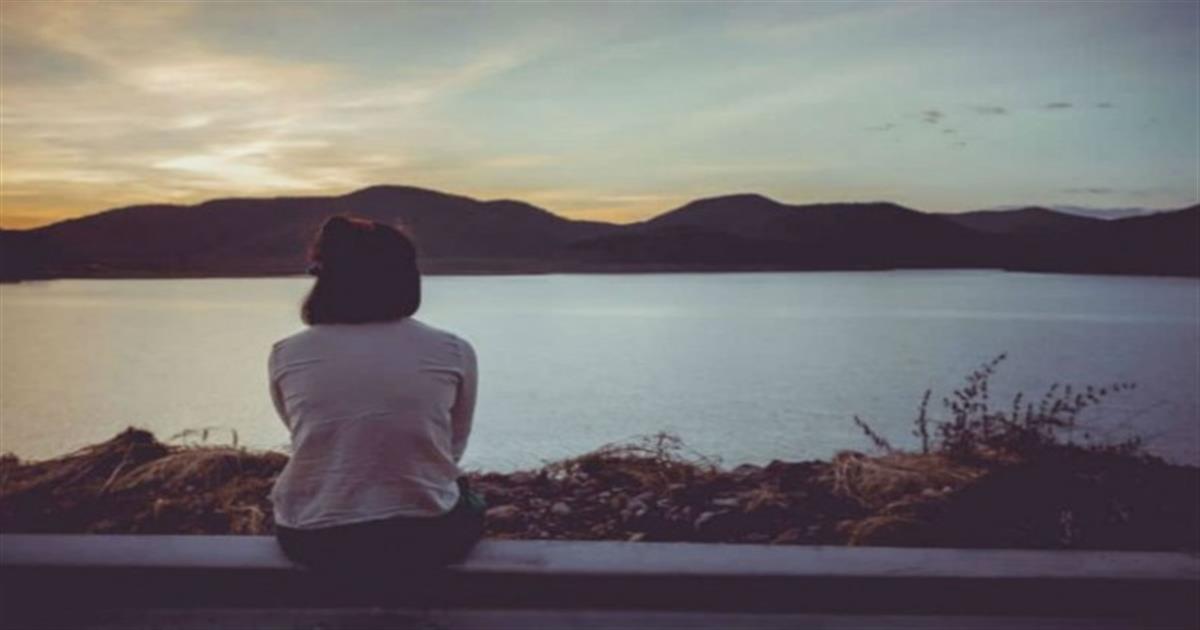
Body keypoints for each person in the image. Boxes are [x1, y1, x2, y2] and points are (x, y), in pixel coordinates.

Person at [269, 216, 485, 575]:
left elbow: (305, 434)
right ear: (405, 277)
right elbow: (451, 447)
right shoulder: (452, 350)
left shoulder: (286, 354)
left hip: (311, 538)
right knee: (469, 500)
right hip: (426, 536)